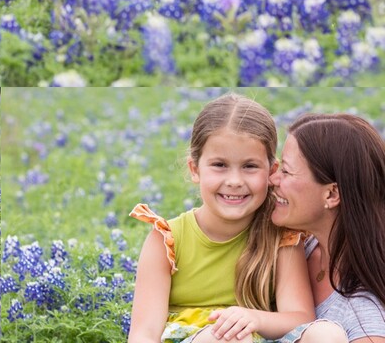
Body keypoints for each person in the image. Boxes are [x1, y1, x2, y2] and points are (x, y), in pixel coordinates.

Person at [128, 94, 340, 343]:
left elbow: (300, 317)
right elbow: (144, 333)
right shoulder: (167, 240)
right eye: (219, 165)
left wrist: (255, 318)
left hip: (258, 335)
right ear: (195, 169)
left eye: (250, 166)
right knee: (228, 338)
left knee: (327, 333)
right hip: (198, 338)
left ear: (271, 172)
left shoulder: (280, 237)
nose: (235, 181)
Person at [270, 113, 385, 342]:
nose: (272, 179)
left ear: (331, 194)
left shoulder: (366, 317)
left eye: (287, 171)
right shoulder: (300, 243)